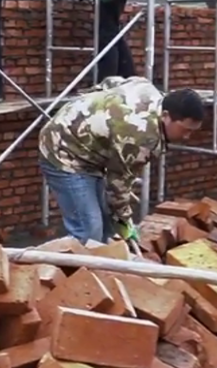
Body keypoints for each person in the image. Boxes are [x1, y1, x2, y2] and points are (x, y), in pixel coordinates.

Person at [38, 76, 205, 244]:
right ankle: (64, 265)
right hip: (63, 150)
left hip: (86, 146)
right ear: (166, 116)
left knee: (108, 225)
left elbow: (112, 81)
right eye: (184, 130)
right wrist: (126, 223)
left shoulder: (149, 91)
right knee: (89, 230)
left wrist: (93, 106)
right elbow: (117, 188)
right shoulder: (139, 137)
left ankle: (104, 263)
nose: (187, 136)